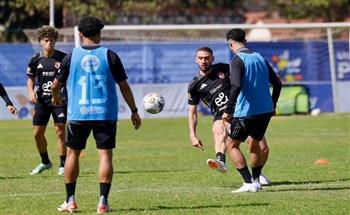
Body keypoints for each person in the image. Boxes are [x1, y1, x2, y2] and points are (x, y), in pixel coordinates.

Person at [51, 16, 142, 213]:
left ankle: (70, 200)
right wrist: (134, 111)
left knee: (72, 154)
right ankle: (103, 202)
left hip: (78, 114)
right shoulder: (110, 55)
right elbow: (124, 86)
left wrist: (56, 97)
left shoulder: (71, 56)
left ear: (81, 34)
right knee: (105, 156)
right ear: (99, 33)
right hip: (105, 114)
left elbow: (55, 85)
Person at [188, 47, 272, 185]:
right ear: (196, 59)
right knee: (218, 130)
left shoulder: (224, 68)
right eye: (201, 58)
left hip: (243, 111)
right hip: (221, 115)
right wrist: (192, 135)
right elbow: (192, 112)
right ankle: (220, 160)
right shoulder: (194, 85)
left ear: (212, 59)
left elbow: (241, 78)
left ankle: (258, 174)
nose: (204, 61)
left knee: (262, 148)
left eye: (207, 58)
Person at [222, 29, 282, 193]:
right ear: (245, 41)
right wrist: (273, 104)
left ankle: (248, 182)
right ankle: (256, 181)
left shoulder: (237, 60)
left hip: (246, 112)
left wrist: (228, 110)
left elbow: (236, 85)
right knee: (254, 143)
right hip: (265, 110)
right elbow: (277, 83)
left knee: (231, 145)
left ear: (230, 44)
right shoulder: (259, 57)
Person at [26, 26, 67, 176]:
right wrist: (30, 91)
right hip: (42, 101)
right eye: (46, 40)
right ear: (41, 42)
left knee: (60, 131)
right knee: (37, 133)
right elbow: (30, 78)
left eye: (52, 40)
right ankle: (45, 162)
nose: (49, 43)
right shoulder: (36, 59)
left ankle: (63, 165)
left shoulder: (63, 58)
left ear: (56, 41)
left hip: (59, 101)